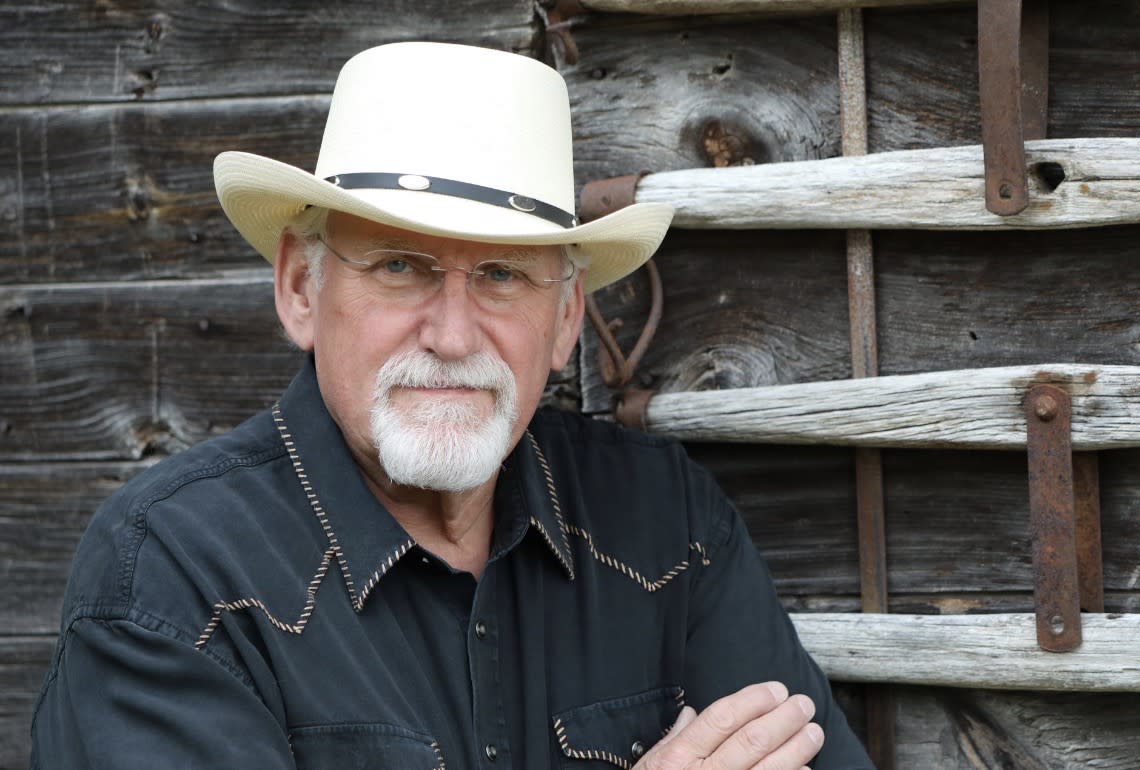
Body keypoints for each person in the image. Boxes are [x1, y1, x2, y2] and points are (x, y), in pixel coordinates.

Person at [30, 42, 875, 769]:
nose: (453, 334)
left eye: (503, 275)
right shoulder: (175, 573)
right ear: (300, 289)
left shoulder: (663, 522)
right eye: (400, 267)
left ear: (565, 320)